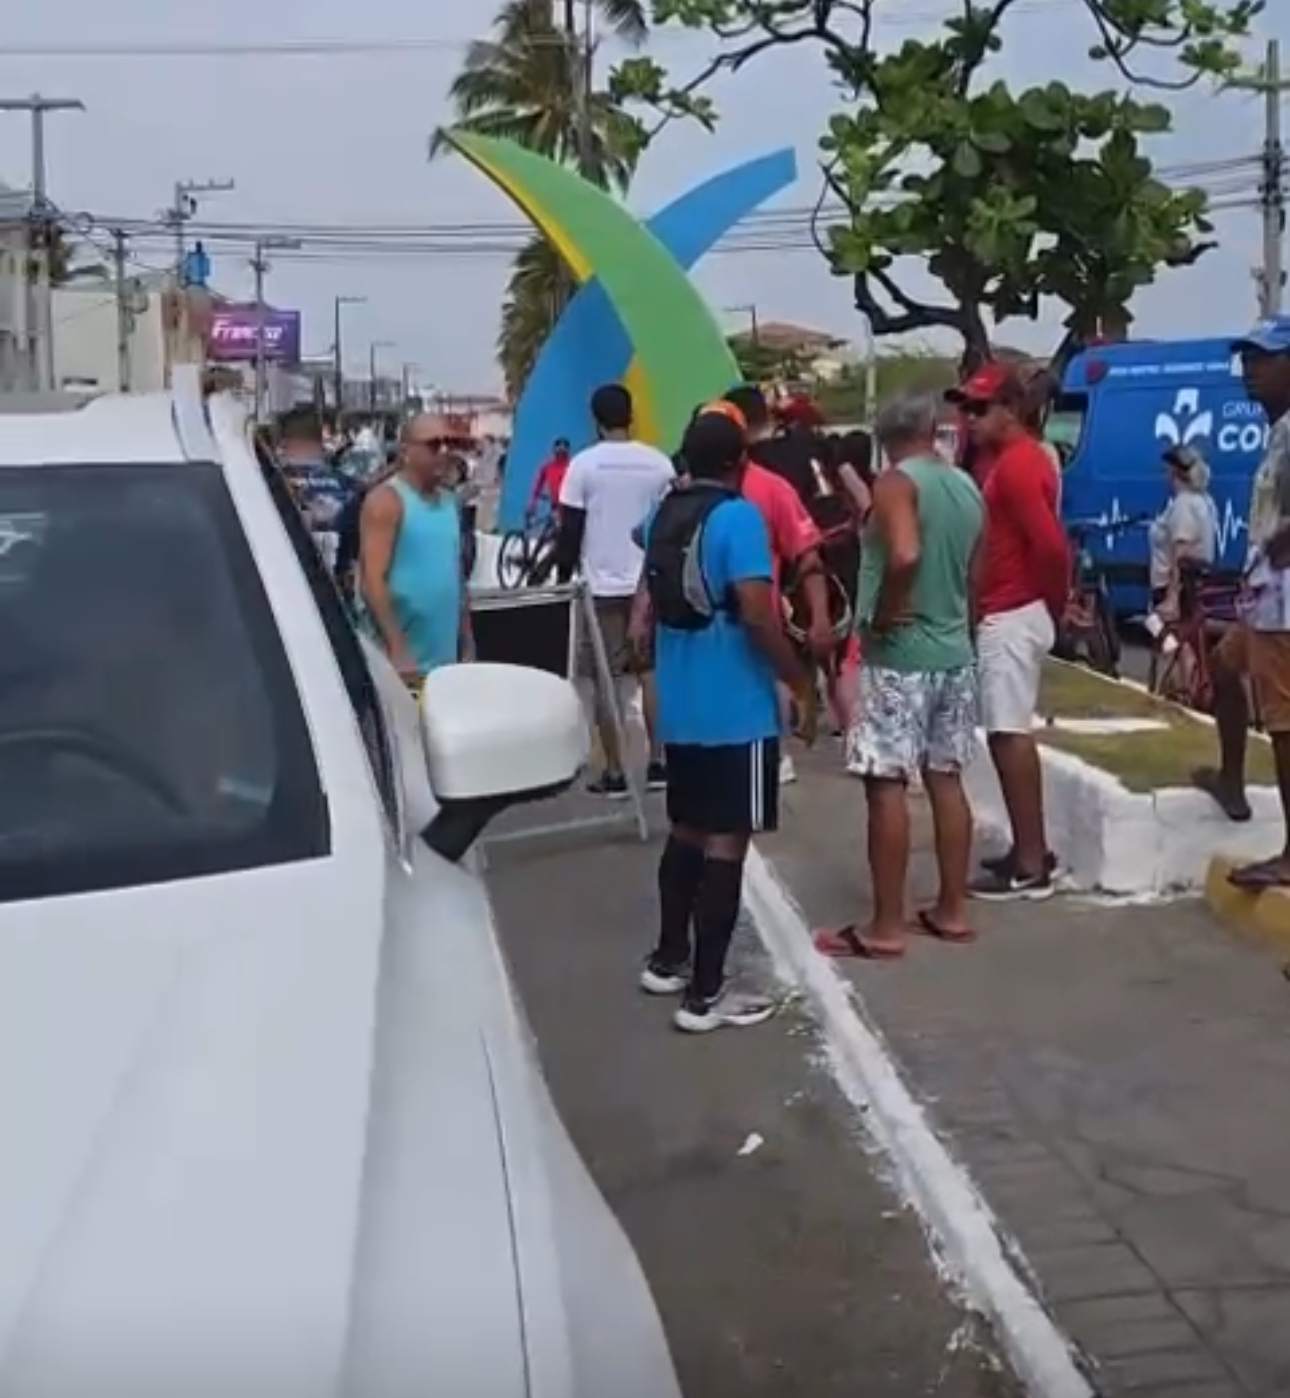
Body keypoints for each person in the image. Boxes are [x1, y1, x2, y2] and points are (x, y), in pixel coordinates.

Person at [639, 410, 809, 1031]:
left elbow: (644, 558)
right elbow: (759, 615)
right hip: (736, 707)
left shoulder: (665, 511)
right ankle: (707, 994)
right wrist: (798, 678)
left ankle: (668, 959)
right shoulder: (738, 518)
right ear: (742, 463)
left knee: (685, 829)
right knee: (726, 843)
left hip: (682, 706)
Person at [815, 395, 984, 958]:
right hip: (954, 650)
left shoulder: (895, 483)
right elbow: (974, 570)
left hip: (901, 655)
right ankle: (951, 910)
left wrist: (886, 611)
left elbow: (905, 554)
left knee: (885, 784)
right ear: (932, 429)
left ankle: (885, 926)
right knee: (946, 777)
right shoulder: (964, 487)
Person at [947, 362, 1068, 899]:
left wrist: (1051, 605)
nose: (969, 418)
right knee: (1003, 733)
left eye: (980, 408)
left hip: (1014, 610)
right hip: (1009, 607)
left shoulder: (1018, 466)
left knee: (1009, 733)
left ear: (1011, 408)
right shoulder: (1009, 461)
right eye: (966, 407)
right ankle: (1027, 850)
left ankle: (1032, 860)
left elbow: (1050, 547)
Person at [1193, 317, 1290, 885]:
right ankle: (1231, 780)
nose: (1250, 370)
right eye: (1247, 359)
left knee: (1282, 722)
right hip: (1265, 592)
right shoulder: (1278, 428)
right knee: (1224, 667)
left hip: (1284, 599)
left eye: (1264, 359)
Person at [556, 384, 674, 796]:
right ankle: (660, 763)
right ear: (631, 415)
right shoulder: (659, 464)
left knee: (604, 679)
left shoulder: (583, 466)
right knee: (651, 673)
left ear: (595, 419)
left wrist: (560, 576)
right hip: (651, 585)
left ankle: (616, 771)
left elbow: (569, 531)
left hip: (600, 587)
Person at [721, 384, 835, 782]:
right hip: (766, 601)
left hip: (768, 605)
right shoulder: (691, 489)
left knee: (778, 670)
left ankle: (779, 745)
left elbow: (806, 550)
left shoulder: (767, 482)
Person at [359, 415, 473, 683]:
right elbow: (371, 581)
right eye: (434, 445)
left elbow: (456, 575)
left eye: (449, 443)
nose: (444, 452)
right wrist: (397, 648)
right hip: (401, 662)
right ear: (407, 452)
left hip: (443, 657)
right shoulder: (386, 501)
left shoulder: (449, 502)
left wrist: (466, 637)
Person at [1148, 445, 1219, 610]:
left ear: (1174, 473)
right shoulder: (1204, 500)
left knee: (1160, 631)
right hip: (1192, 587)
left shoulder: (1184, 505)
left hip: (1174, 590)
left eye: (1168, 470)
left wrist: (1172, 599)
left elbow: (1181, 555)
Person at [528, 437, 572, 520]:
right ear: (554, 451)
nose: (560, 454)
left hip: (570, 507)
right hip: (555, 506)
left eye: (563, 452)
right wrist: (533, 504)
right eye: (558, 452)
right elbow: (537, 486)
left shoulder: (572, 466)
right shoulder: (548, 467)